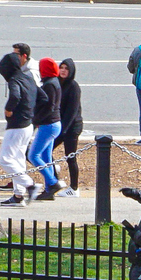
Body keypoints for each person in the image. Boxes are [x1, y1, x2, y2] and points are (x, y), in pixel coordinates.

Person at [0, 49, 42, 206]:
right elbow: (42, 97)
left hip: (16, 126)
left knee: (5, 159)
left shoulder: (14, 80)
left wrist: (9, 109)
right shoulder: (28, 78)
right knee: (18, 159)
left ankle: (30, 185)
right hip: (28, 125)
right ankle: (18, 196)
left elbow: (15, 96)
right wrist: (31, 111)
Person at [30, 57, 64, 201]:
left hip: (48, 124)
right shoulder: (54, 82)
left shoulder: (49, 85)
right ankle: (49, 190)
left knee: (33, 155)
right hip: (54, 123)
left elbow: (48, 106)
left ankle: (52, 182)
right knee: (46, 157)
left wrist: (36, 120)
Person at [56, 59, 83, 196]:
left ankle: (74, 188)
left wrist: (63, 130)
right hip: (60, 125)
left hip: (72, 127)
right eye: (61, 67)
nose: (63, 70)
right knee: (45, 151)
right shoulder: (57, 83)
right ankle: (54, 180)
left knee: (70, 157)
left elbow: (72, 111)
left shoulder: (73, 87)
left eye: (66, 68)